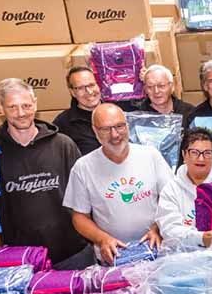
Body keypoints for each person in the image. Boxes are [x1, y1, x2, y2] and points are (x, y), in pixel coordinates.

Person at [0, 79, 93, 270]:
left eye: (26, 106)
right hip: (22, 260)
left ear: (35, 104)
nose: (21, 113)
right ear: (1, 108)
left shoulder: (63, 145)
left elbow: (86, 193)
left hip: (73, 253)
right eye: (13, 107)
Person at [63, 104, 173, 265]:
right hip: (114, 259)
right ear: (95, 130)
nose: (114, 135)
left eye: (119, 126)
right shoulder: (83, 167)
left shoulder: (150, 156)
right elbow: (79, 217)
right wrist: (102, 239)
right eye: (106, 129)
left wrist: (159, 228)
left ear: (127, 125)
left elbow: (172, 199)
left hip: (156, 251)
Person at [53, 66, 102, 156]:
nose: (89, 92)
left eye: (91, 85)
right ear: (72, 92)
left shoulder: (118, 111)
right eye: (80, 88)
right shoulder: (63, 123)